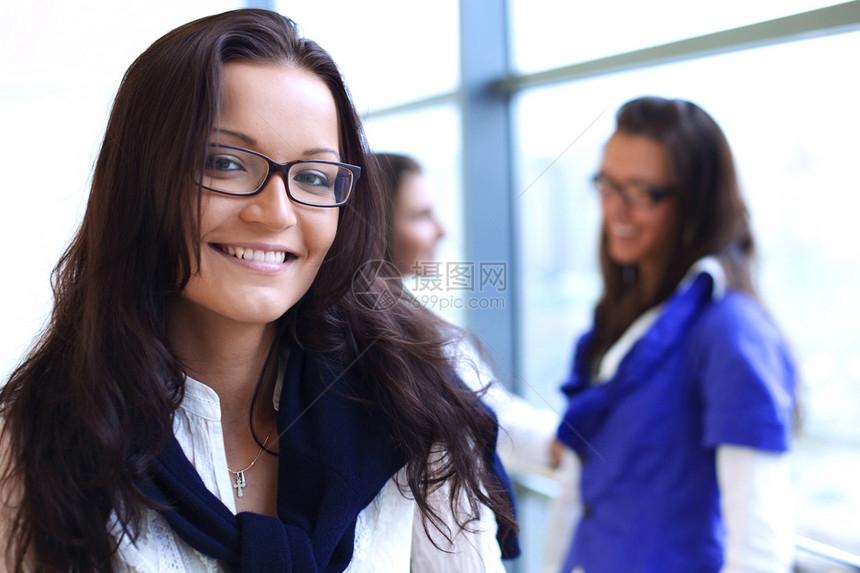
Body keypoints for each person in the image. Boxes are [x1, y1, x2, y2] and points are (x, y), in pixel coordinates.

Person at [0, 10, 517, 572]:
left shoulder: (413, 408)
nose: (276, 213)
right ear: (141, 179)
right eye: (223, 163)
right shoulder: (38, 442)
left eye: (314, 177)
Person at [555, 96, 797, 573]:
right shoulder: (621, 318)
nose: (615, 210)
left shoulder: (730, 333)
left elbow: (760, 549)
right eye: (607, 184)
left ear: (695, 202)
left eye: (643, 191)